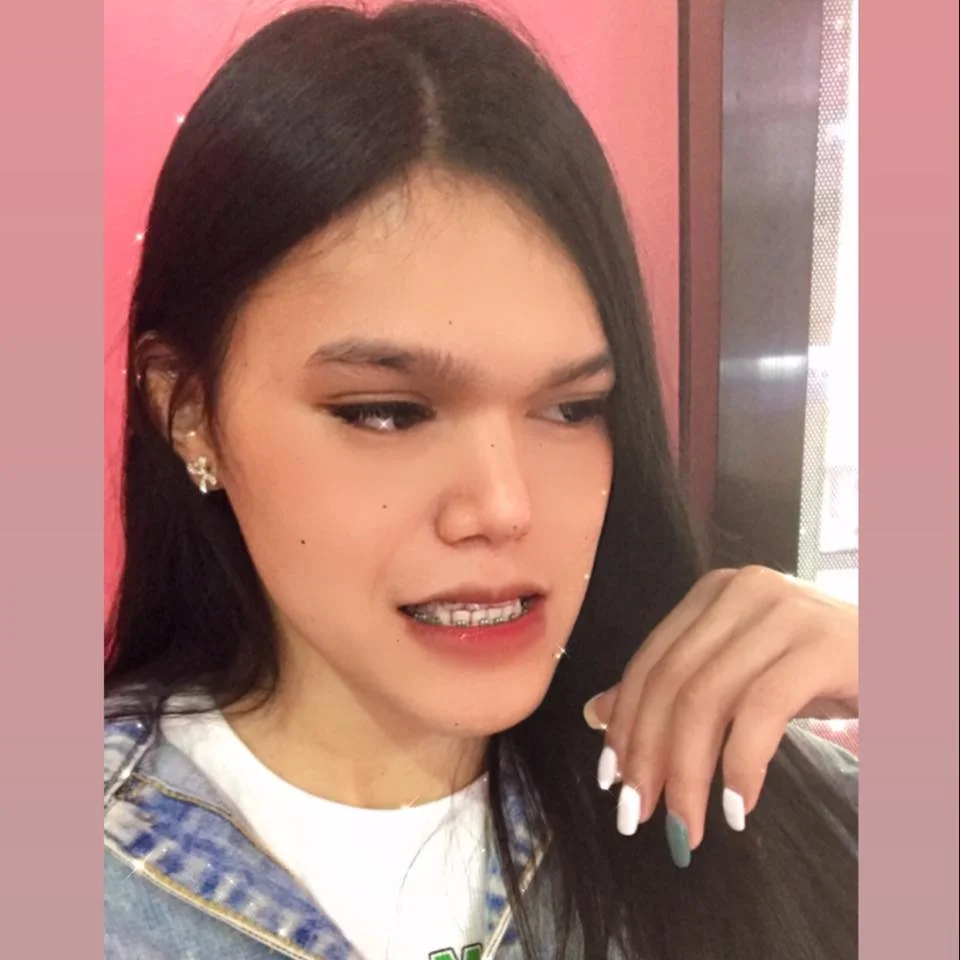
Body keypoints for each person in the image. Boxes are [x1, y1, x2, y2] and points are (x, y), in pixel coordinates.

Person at [103, 3, 859, 958]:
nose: (504, 509)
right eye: (388, 412)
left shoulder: (754, 797)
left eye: (571, 409)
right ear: (189, 412)